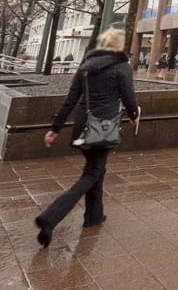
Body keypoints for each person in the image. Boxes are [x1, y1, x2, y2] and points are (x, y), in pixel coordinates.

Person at [34, 28, 140, 247]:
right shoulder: (121, 66)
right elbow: (130, 98)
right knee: (93, 172)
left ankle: (93, 216)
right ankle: (51, 217)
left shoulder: (85, 67)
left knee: (96, 168)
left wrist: (55, 128)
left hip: (83, 126)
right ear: (119, 46)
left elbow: (70, 99)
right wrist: (134, 115)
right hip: (104, 126)